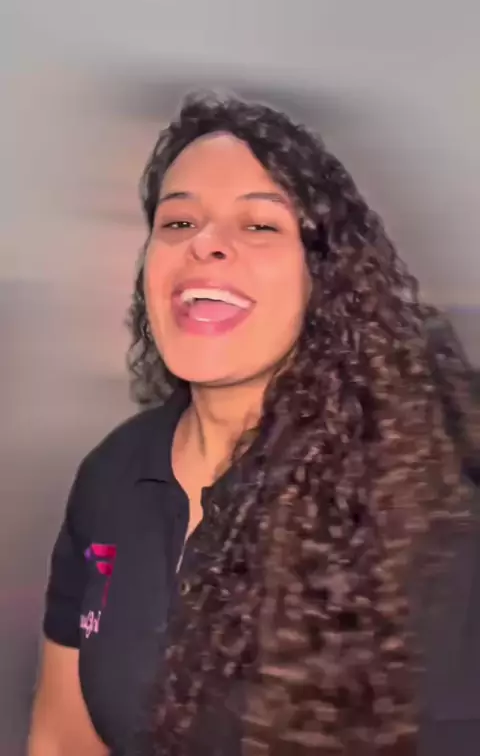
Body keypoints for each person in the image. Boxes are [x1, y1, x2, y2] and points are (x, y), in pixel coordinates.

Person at [28, 94, 479, 756]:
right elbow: (65, 738)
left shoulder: (415, 506)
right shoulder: (113, 474)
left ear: (324, 279)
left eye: (260, 225)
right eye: (178, 221)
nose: (204, 243)